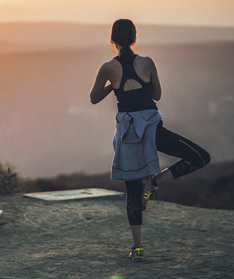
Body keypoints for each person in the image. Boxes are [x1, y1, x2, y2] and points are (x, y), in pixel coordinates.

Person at [89, 19, 211, 261]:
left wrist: (114, 87)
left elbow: (93, 98)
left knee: (132, 189)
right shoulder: (147, 63)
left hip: (127, 134)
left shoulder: (107, 68)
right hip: (152, 129)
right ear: (135, 38)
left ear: (112, 40)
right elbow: (156, 94)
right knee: (200, 157)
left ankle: (137, 248)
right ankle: (156, 181)